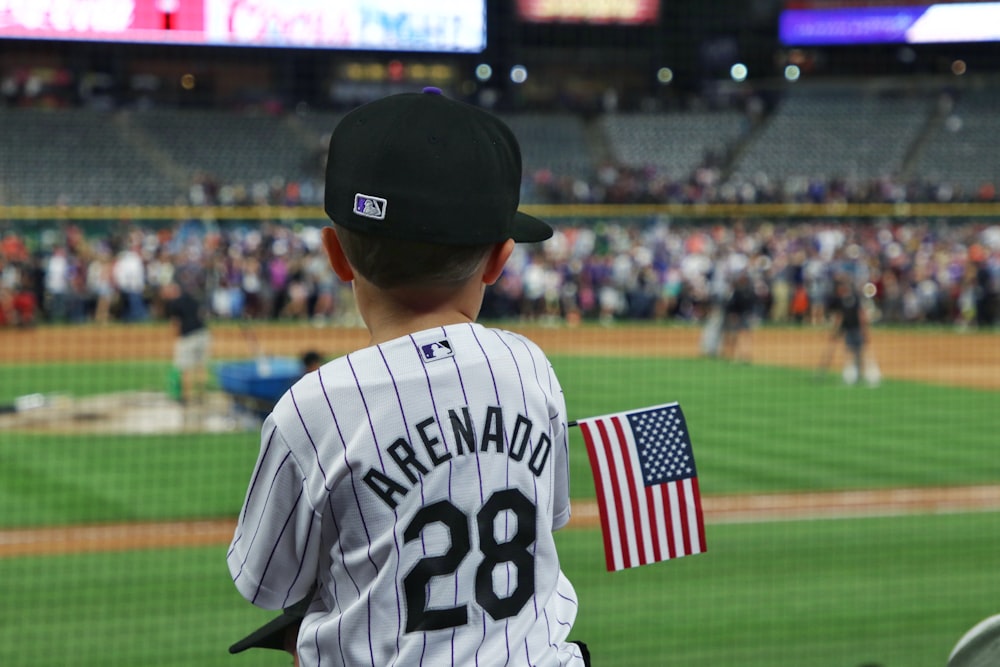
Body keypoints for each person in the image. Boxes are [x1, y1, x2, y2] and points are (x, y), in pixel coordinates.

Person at [227, 88, 589, 667]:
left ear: (335, 254)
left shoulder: (313, 407)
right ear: (499, 259)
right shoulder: (529, 367)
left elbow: (267, 583)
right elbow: (549, 520)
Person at [162, 274, 211, 405]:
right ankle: (202, 396)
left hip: (187, 337)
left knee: (185, 369)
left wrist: (177, 338)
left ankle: (186, 398)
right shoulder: (191, 297)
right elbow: (201, 314)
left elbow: (175, 324)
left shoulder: (173, 303)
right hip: (203, 334)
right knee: (201, 367)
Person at [825, 276, 869, 385]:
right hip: (848, 329)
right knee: (849, 352)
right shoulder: (841, 300)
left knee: (858, 353)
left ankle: (859, 375)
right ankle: (850, 375)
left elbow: (861, 314)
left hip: (856, 329)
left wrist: (864, 331)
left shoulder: (854, 298)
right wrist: (836, 332)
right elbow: (839, 317)